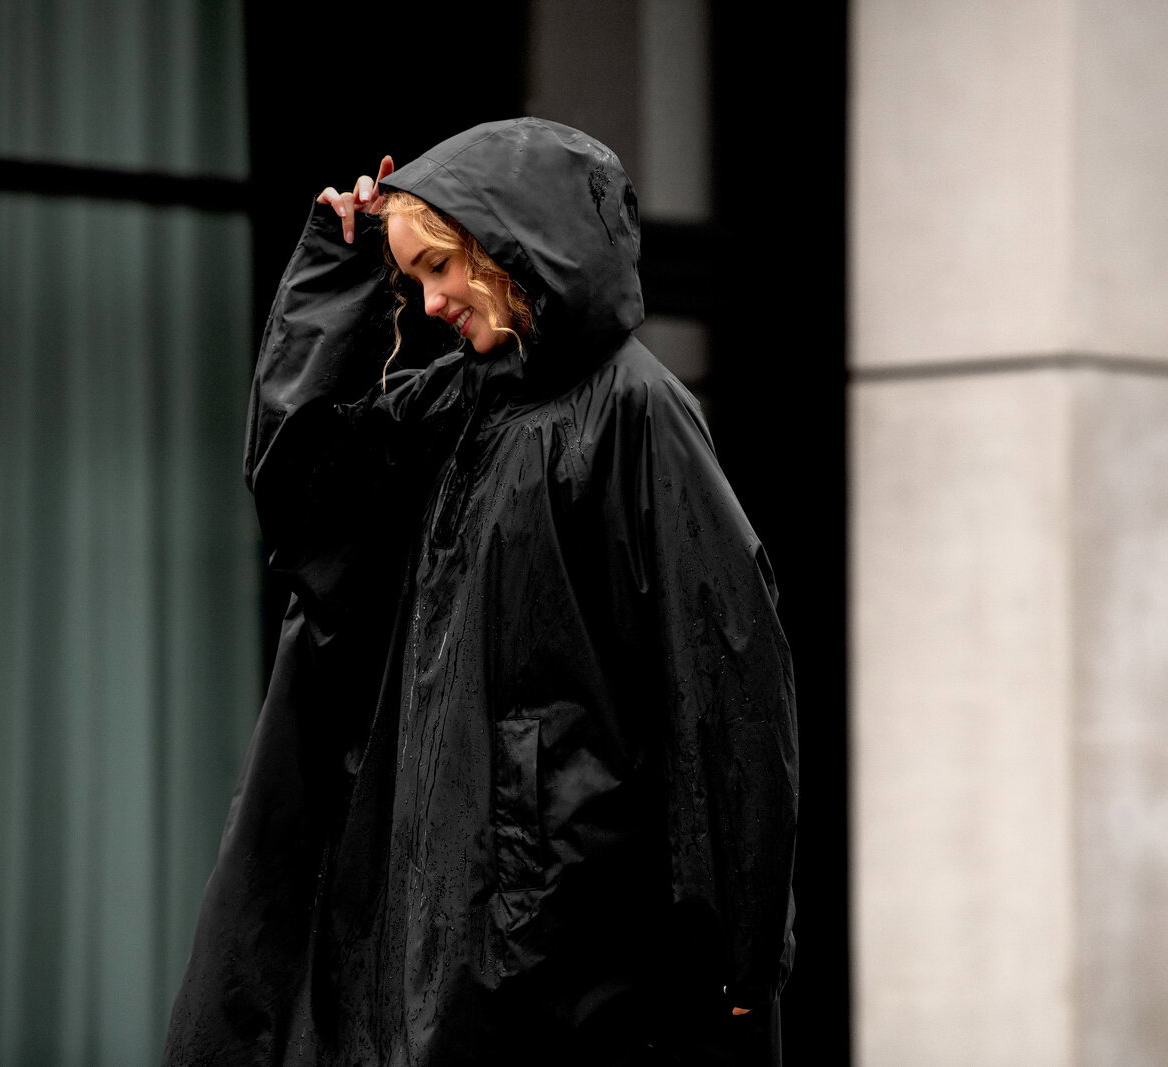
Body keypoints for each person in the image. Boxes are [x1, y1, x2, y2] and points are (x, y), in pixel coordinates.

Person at [162, 118, 798, 1067]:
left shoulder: (636, 411)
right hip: (436, 936)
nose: (428, 303)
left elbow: (726, 678)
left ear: (505, 247)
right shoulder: (460, 404)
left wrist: (740, 961)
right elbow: (303, 497)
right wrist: (337, 274)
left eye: (439, 268)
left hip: (569, 969)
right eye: (412, 279)